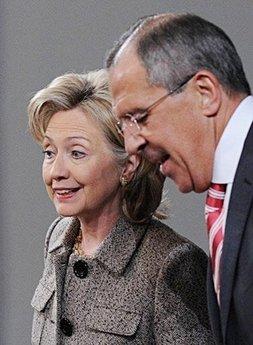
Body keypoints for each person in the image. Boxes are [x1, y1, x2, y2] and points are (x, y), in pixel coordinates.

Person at [28, 69, 213, 344]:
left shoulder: (171, 263)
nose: (56, 171)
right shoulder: (57, 236)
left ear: (127, 166)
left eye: (77, 153)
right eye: (49, 152)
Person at [105, 13, 253, 345]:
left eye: (139, 117)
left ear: (205, 92)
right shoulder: (226, 191)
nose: (132, 144)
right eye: (123, 125)